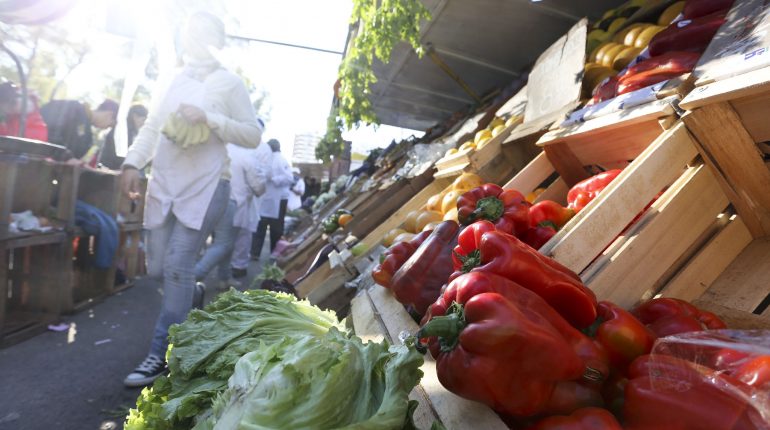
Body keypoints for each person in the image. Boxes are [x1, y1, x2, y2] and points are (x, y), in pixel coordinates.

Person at [120, 12, 262, 387]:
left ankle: (161, 354)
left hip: (209, 182)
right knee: (155, 270)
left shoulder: (230, 83)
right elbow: (152, 127)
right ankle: (192, 295)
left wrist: (211, 118)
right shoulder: (173, 79)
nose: (194, 40)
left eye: (204, 34)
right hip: (165, 180)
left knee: (179, 265)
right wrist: (132, 163)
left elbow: (252, 135)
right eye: (190, 34)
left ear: (217, 41)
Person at [194, 142, 269, 290]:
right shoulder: (247, 155)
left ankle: (224, 277)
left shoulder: (218, 148)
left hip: (209, 200)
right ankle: (191, 276)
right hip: (232, 203)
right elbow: (259, 186)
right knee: (224, 244)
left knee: (225, 242)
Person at [230, 141, 273, 278]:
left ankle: (225, 273)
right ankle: (237, 266)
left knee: (223, 238)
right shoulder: (248, 154)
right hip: (242, 200)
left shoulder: (229, 146)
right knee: (240, 235)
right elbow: (260, 184)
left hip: (224, 199)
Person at [250, 138, 292, 261]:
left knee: (270, 227)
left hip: (277, 199)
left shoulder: (281, 160)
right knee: (267, 226)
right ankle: (265, 252)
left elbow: (288, 178)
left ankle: (264, 252)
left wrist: (273, 179)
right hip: (266, 198)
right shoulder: (270, 159)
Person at [40, 98, 118, 160]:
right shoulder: (73, 107)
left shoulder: (88, 138)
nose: (105, 128)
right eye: (109, 125)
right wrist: (66, 158)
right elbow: (51, 130)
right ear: (109, 114)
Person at [100, 104, 148, 170]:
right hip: (110, 170)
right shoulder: (123, 132)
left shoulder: (130, 132)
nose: (144, 123)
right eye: (143, 119)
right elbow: (121, 156)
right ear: (135, 116)